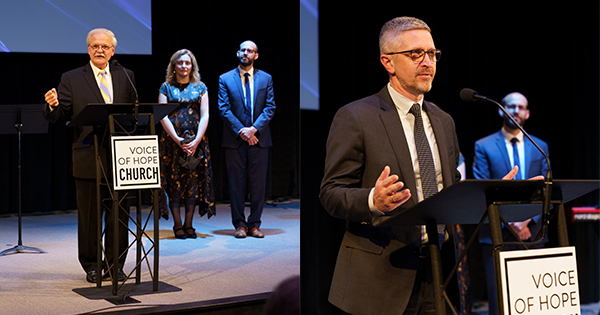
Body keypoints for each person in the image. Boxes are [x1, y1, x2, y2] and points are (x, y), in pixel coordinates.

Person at [319, 16, 463, 314]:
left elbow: (448, 189)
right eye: (415, 54)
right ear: (388, 62)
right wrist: (372, 199)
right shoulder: (356, 117)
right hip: (380, 278)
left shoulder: (443, 120)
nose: (427, 62)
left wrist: (497, 190)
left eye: (432, 53)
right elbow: (330, 193)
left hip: (440, 271)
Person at [43, 28, 136, 283]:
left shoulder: (126, 76)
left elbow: (134, 114)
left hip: (121, 157)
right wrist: (52, 105)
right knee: (90, 216)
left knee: (119, 214)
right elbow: (60, 114)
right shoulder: (72, 78)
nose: (100, 50)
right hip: (88, 154)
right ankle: (92, 265)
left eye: (105, 47)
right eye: (95, 46)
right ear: (88, 49)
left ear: (112, 51)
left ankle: (116, 265)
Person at [472, 92, 549, 315]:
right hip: (497, 233)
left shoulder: (540, 146)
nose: (516, 110)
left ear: (527, 113)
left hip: (532, 232)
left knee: (534, 298)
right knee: (500, 298)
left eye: (520, 107)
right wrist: (512, 221)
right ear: (501, 110)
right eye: (511, 106)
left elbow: (545, 190)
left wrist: (526, 220)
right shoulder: (484, 146)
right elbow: (482, 189)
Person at [218, 40, 276, 239]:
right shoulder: (225, 78)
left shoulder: (266, 78)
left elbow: (270, 108)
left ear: (256, 55)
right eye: (243, 50)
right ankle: (239, 225)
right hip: (234, 140)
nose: (246, 53)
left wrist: (253, 130)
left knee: (258, 184)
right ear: (238, 53)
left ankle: (255, 224)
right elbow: (224, 109)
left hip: (259, 139)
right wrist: (242, 131)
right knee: (236, 185)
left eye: (250, 51)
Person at [158, 49, 216, 239]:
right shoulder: (166, 87)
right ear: (174, 65)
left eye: (187, 63)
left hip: (196, 142)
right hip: (171, 143)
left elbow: (205, 113)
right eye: (180, 63)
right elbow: (162, 115)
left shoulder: (200, 87)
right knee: (174, 182)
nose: (184, 66)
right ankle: (177, 225)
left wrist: (196, 140)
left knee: (192, 183)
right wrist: (177, 139)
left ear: (192, 66)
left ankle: (189, 225)